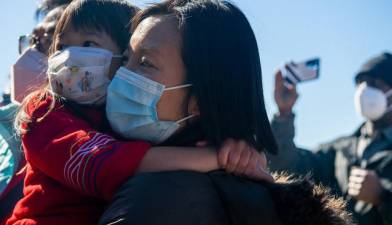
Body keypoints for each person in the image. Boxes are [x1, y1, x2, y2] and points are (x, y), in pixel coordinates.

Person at [7, 1, 268, 225]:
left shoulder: (120, 114)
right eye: (61, 46)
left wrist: (237, 151)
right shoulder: (43, 111)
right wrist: (215, 158)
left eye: (88, 43)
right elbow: (103, 162)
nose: (69, 57)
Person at [98, 0, 353, 224]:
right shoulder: (255, 194)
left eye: (145, 63)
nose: (120, 75)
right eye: (125, 58)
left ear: (199, 100)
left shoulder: (154, 197)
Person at [270, 52, 392, 225]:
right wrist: (284, 115)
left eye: (374, 84)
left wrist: (384, 197)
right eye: (361, 83)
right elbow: (288, 167)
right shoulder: (339, 150)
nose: (364, 91)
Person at [0, 3, 68, 224]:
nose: (30, 53)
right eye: (31, 41)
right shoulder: (4, 132)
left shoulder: (83, 145)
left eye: (45, 41)